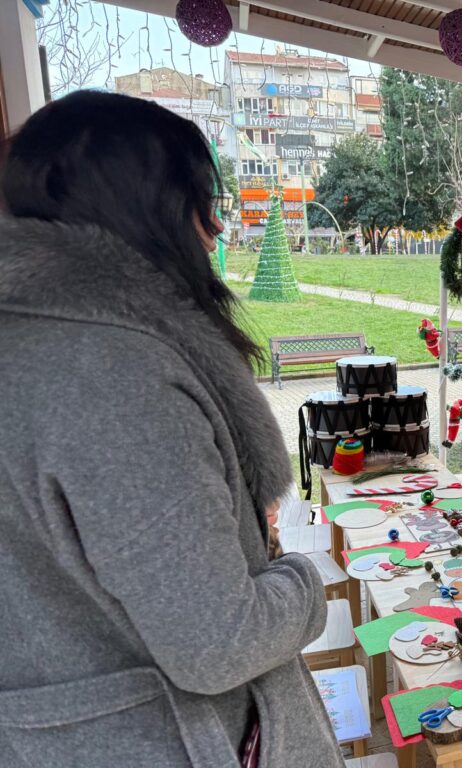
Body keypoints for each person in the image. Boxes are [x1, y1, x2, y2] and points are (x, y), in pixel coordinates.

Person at [0, 92, 342, 767]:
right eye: (202, 202)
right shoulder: (111, 373)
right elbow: (220, 642)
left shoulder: (39, 341)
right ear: (149, 206)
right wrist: (305, 583)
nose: (213, 232)